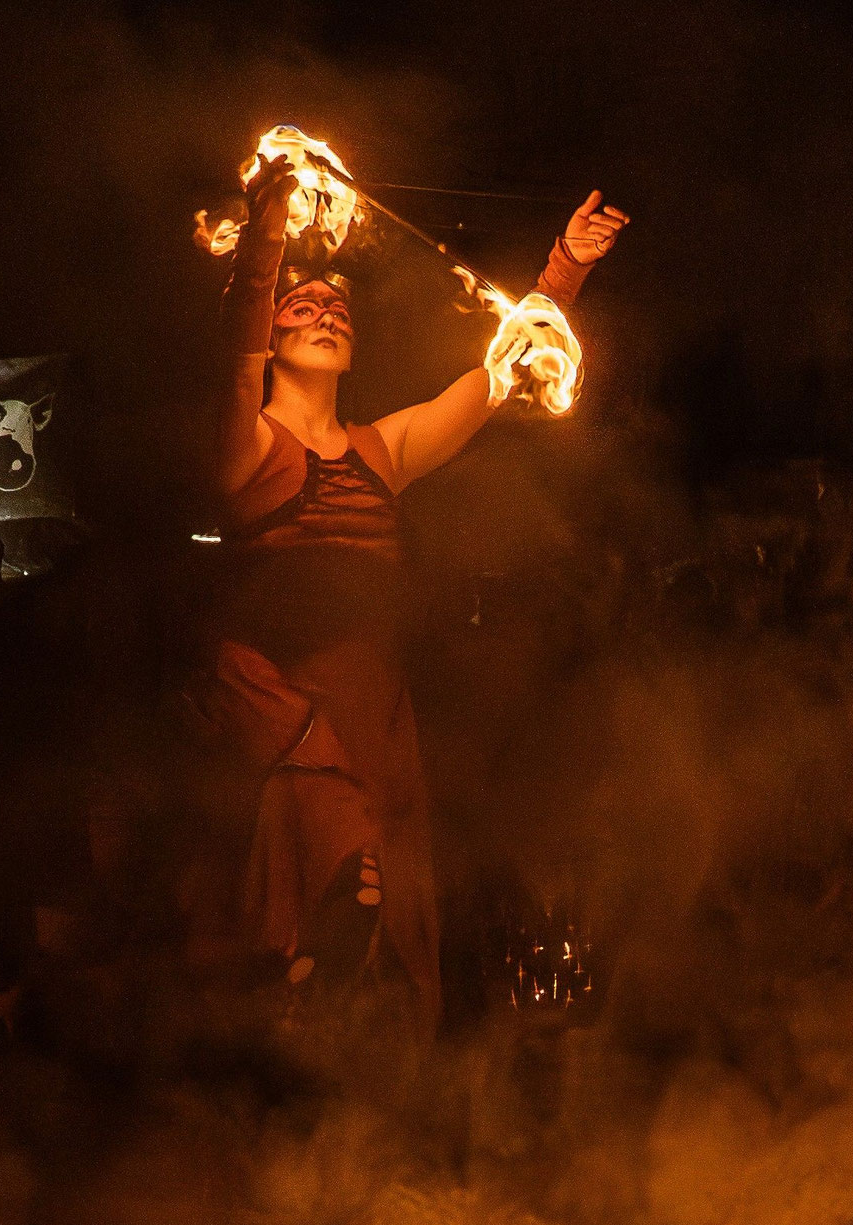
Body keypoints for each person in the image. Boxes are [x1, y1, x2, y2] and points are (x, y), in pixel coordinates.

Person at [199, 157, 627, 1038]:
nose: (326, 315)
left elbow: (502, 372)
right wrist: (271, 226)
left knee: (395, 901)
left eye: (340, 310)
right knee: (327, 871)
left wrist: (564, 271)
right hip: (286, 703)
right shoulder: (247, 441)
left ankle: (380, 1100)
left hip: (376, 705)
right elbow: (235, 349)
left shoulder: (382, 447)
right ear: (275, 334)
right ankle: (277, 1068)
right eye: (304, 307)